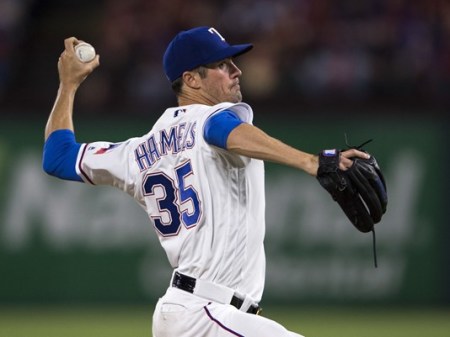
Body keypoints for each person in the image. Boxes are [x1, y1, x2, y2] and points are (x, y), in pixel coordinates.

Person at [43, 26, 369, 337]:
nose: (236, 71)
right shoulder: (210, 118)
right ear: (191, 80)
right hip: (206, 314)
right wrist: (312, 162)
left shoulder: (137, 151)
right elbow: (223, 131)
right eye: (221, 65)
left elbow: (58, 157)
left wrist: (68, 85)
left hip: (196, 314)